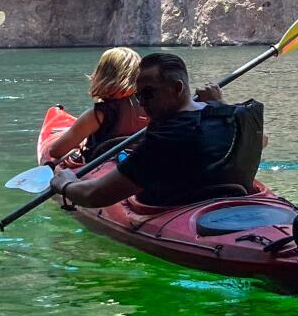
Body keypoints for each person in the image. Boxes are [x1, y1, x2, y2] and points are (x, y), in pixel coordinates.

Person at [53, 51, 261, 210]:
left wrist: (66, 184)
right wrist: (220, 104)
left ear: (178, 88)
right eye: (139, 95)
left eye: (149, 93)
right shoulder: (231, 115)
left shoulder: (164, 140)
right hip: (232, 200)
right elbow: (260, 141)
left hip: (177, 208)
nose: (142, 103)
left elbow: (95, 195)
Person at [42, 47, 148, 165]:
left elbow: (55, 151)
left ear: (102, 74)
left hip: (101, 171)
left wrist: (79, 141)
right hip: (141, 161)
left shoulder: (96, 115)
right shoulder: (152, 108)